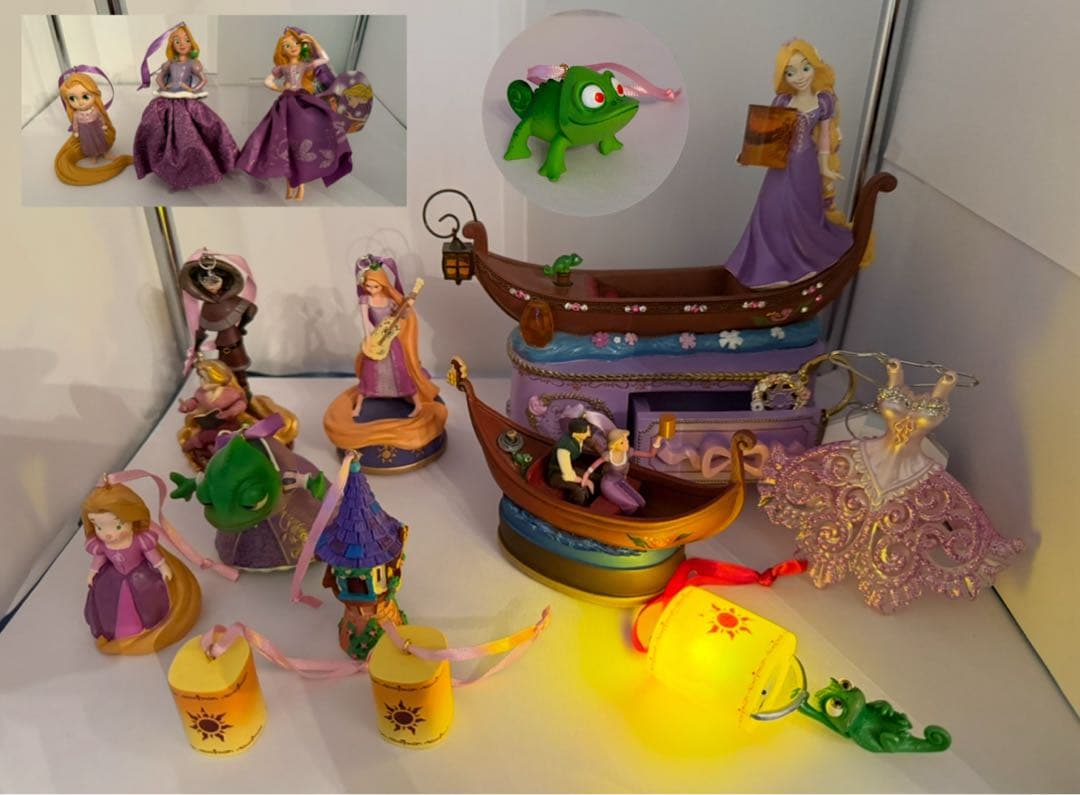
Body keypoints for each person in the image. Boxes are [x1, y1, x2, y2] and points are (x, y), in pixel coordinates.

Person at [725, 39, 852, 288]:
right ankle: (768, 267)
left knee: (805, 214)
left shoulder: (823, 102)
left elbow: (824, 137)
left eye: (805, 68)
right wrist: (748, 155)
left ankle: (804, 262)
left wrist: (825, 166)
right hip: (781, 166)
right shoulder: (783, 101)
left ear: (815, 66)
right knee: (770, 211)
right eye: (790, 72)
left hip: (807, 165)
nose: (799, 77)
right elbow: (769, 137)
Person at [236, 27, 352, 201]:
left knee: (301, 140)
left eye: (296, 44)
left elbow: (325, 59)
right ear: (282, 50)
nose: (292, 47)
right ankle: (291, 185)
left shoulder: (305, 65)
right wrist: (279, 88)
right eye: (287, 46)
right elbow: (267, 81)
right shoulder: (282, 68)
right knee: (285, 142)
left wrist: (312, 40)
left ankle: (300, 184)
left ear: (302, 46)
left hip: (302, 101)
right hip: (286, 103)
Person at [132, 22, 239, 190]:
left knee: (197, 130)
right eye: (177, 41)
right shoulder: (169, 64)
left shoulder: (193, 64)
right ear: (172, 45)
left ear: (192, 44)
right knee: (154, 125)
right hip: (168, 99)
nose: (182, 44)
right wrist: (164, 86)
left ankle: (197, 167)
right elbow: (159, 78)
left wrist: (192, 90)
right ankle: (167, 168)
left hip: (187, 101)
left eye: (186, 40)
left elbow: (203, 79)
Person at [54, 69, 133, 185]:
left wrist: (104, 125)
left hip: (97, 130)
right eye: (72, 98)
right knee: (89, 143)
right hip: (85, 133)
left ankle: (105, 152)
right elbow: (75, 123)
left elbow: (101, 117)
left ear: (94, 95)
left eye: (85, 97)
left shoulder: (95, 109)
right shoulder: (76, 114)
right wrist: (76, 131)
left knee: (100, 140)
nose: (80, 102)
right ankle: (93, 155)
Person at [579, 428, 662, 514]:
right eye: (622, 442)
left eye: (626, 440)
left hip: (620, 480)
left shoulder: (627, 453)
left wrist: (658, 439)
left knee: (641, 501)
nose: (626, 444)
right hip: (608, 484)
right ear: (613, 445)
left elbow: (650, 454)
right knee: (632, 505)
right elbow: (593, 467)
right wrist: (585, 477)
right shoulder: (608, 456)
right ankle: (630, 518)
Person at [546, 417, 595, 505]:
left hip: (570, 466)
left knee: (593, 476)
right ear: (576, 434)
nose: (589, 434)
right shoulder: (564, 449)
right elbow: (568, 476)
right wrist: (586, 481)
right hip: (557, 474)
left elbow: (593, 444)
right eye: (586, 431)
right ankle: (576, 506)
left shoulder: (578, 438)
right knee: (579, 491)